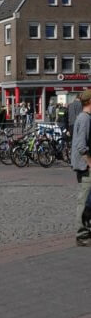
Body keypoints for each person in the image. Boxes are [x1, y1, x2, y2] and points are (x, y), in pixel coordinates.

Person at [71, 89, 91, 246]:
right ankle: (82, 235)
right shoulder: (85, 119)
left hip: (85, 165)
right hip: (85, 166)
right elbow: (81, 145)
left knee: (88, 200)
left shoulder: (85, 117)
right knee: (84, 200)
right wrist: (89, 161)